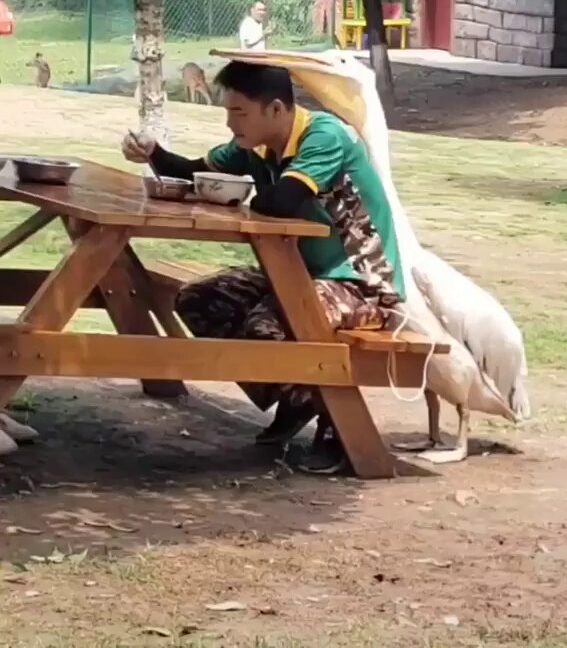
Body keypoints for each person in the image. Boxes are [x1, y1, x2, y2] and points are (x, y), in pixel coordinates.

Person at [121, 61, 406, 473]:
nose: (229, 123)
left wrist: (235, 193)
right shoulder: (257, 145)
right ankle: (297, 397)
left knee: (266, 323)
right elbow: (192, 172)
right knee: (199, 300)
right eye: (228, 111)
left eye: (239, 112)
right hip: (297, 273)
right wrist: (153, 153)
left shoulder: (323, 136)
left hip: (361, 284)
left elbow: (281, 202)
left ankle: (336, 425)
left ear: (275, 109)